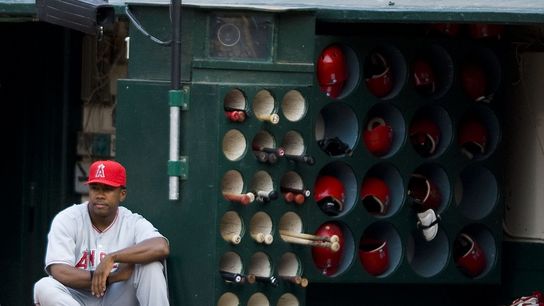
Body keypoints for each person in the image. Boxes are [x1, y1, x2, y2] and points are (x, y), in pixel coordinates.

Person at [33, 160, 170, 306]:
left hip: (118, 297)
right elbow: (59, 271)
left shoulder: (132, 222)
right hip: (78, 299)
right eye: (95, 188)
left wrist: (112, 258)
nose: (100, 195)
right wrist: (111, 277)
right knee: (43, 286)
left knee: (151, 266)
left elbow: (161, 247)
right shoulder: (68, 219)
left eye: (107, 189)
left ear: (122, 194)